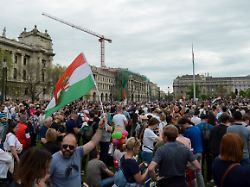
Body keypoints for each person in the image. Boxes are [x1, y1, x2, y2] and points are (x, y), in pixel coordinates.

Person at [49, 116, 106, 187]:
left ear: (76, 146)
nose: (67, 149)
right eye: (64, 146)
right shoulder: (53, 160)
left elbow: (93, 142)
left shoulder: (78, 152)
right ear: (61, 144)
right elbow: (40, 180)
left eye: (71, 147)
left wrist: (100, 128)